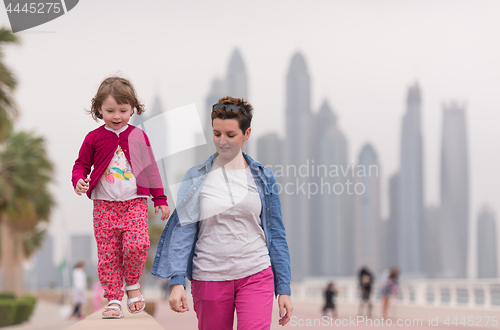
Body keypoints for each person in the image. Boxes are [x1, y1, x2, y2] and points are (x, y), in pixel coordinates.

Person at [152, 97, 293, 329]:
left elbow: (276, 233)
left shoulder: (264, 177)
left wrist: (284, 288)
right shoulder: (195, 177)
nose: (222, 141)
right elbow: (183, 232)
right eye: (217, 134)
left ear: (246, 134)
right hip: (209, 276)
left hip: (256, 273)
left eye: (230, 134)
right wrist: (177, 281)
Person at [72, 76, 170, 319]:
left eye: (123, 110)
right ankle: (114, 298)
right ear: (99, 110)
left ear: (133, 109)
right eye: (110, 110)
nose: (117, 116)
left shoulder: (138, 136)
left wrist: (160, 198)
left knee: (138, 245)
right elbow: (81, 164)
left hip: (135, 202)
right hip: (104, 206)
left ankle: (133, 284)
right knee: (108, 253)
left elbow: (151, 168)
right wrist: (79, 180)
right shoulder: (93, 138)